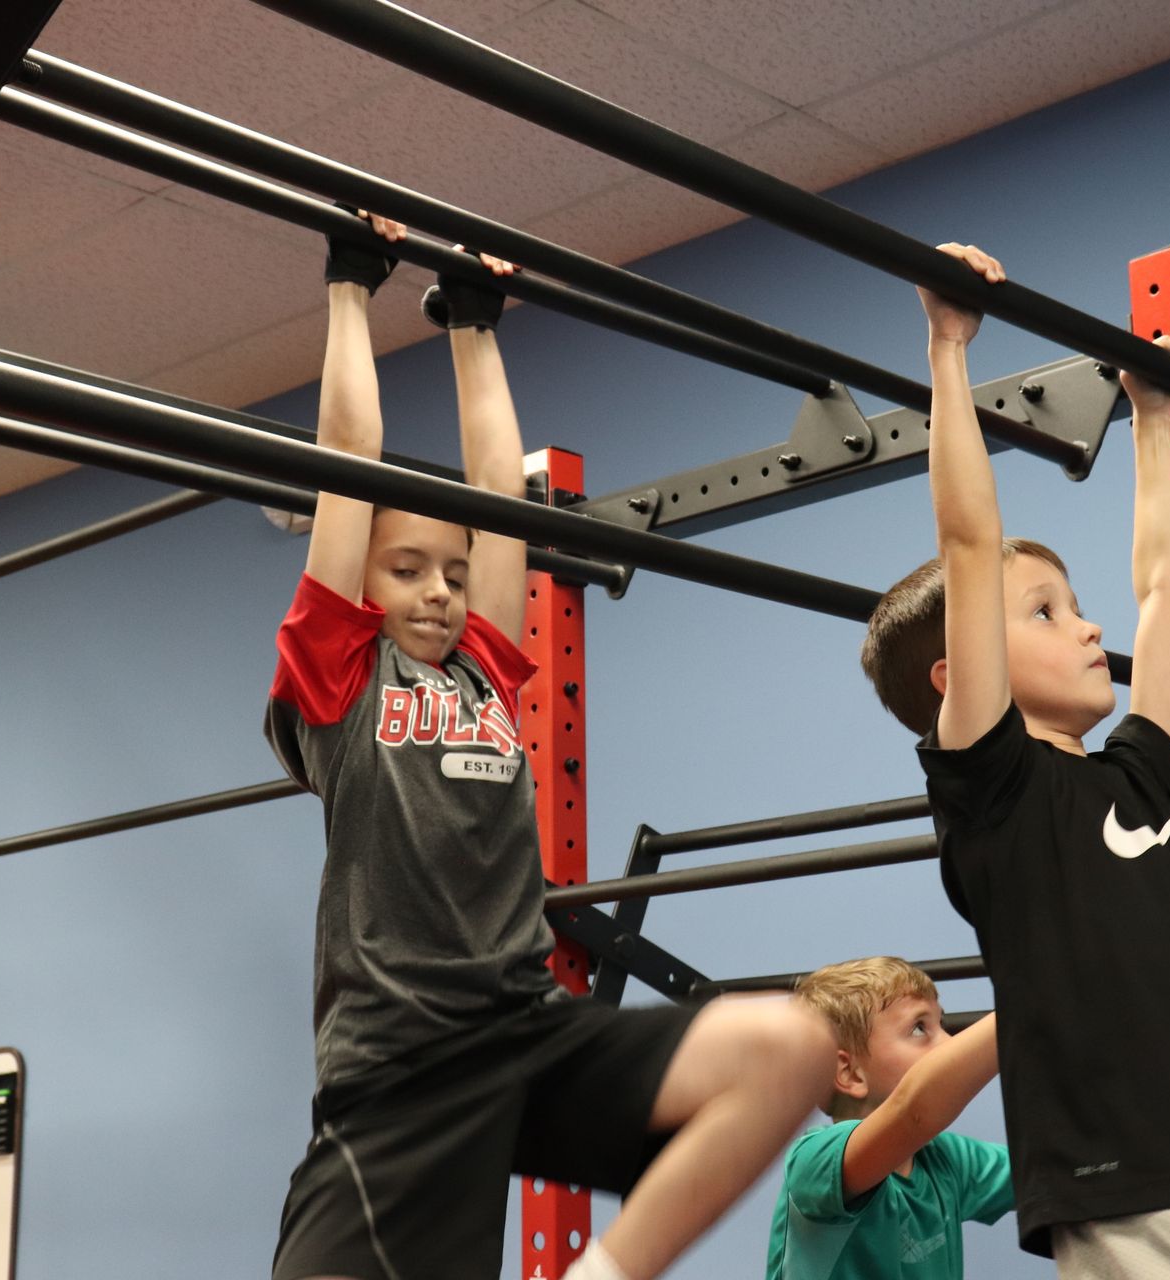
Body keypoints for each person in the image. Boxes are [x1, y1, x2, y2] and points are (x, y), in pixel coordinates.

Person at [265, 208, 833, 1280]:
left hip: (526, 1028)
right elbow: (350, 460)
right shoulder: (339, 678)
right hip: (399, 1069)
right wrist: (352, 281)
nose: (438, 587)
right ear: (358, 592)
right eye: (406, 570)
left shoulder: (485, 663)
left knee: (792, 1044)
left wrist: (473, 320)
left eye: (451, 568)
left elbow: (501, 498)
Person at [859, 243, 1170, 1279]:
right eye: (1046, 612)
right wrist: (947, 345)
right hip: (1122, 1182)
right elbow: (971, 547)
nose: (1087, 630)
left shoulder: (1143, 778)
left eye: (1073, 607)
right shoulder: (995, 790)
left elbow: (1166, 589)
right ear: (958, 673)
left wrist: (1155, 419)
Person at [765, 956, 1011, 1279]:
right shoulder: (814, 1162)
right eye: (920, 1028)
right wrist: (1026, 1008)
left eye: (942, 1023)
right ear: (850, 1073)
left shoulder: (943, 1160)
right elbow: (915, 1110)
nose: (949, 1043)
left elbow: (1044, 1166)